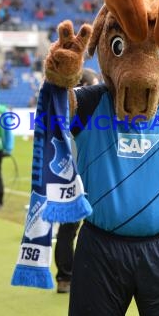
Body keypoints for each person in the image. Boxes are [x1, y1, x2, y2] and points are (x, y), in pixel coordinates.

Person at [54, 68, 99, 294]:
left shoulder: (62, 106)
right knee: (99, 230)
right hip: (89, 177)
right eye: (95, 83)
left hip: (66, 177)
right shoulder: (93, 108)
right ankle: (93, 277)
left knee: (67, 231)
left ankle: (64, 277)